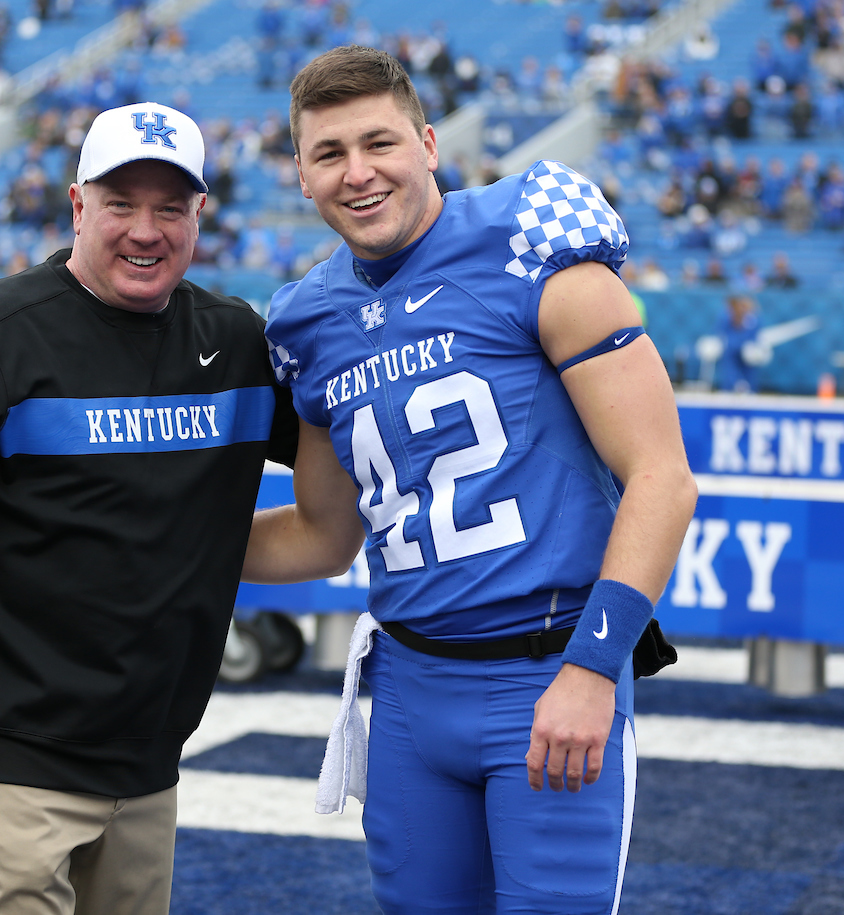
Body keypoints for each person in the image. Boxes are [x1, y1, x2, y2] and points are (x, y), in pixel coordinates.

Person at [244, 47, 696, 914]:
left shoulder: (528, 240)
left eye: (379, 143)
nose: (358, 171)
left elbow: (662, 479)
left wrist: (595, 667)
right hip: (410, 689)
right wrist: (159, 552)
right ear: (300, 174)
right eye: (329, 153)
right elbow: (323, 534)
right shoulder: (305, 320)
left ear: (429, 144)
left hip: (547, 667)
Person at [0, 101, 297, 915]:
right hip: (7, 764)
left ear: (201, 216)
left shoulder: (234, 344)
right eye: (121, 203)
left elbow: (351, 442)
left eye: (170, 207)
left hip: (151, 761)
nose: (145, 230)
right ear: (78, 206)